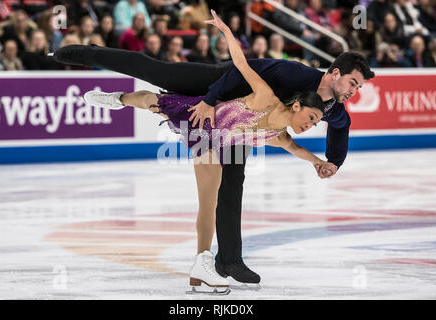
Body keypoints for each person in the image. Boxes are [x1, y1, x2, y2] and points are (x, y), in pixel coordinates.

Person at [52, 10, 375, 287]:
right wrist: (208, 100)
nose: (354, 91)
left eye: (359, 87)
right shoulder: (294, 73)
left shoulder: (332, 109)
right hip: (218, 88)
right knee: (153, 71)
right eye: (352, 83)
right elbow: (240, 69)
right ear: (335, 73)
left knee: (232, 185)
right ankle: (86, 53)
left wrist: (331, 161)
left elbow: (338, 129)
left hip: (236, 129)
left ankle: (229, 261)